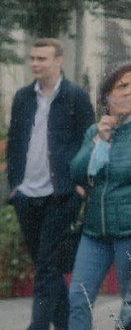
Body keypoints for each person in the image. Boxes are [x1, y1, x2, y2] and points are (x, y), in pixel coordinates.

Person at [68, 62, 131, 330]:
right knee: (78, 298)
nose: (127, 92)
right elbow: (77, 174)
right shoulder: (95, 131)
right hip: (95, 234)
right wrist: (100, 140)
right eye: (120, 86)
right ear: (107, 95)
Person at [6, 38, 95, 330]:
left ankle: (38, 326)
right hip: (26, 194)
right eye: (32, 58)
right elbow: (15, 141)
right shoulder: (22, 97)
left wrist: (81, 187)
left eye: (41, 58)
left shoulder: (76, 96)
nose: (35, 63)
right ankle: (70, 325)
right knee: (48, 268)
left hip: (62, 194)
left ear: (58, 60)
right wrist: (15, 186)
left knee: (46, 267)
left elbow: (89, 141)